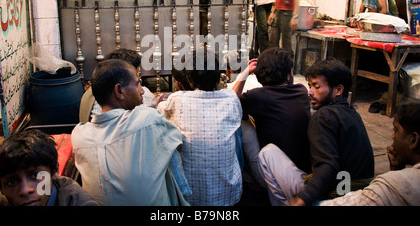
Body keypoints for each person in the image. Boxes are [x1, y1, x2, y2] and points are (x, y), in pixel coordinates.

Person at [71, 59, 190, 206]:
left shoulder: (79, 135)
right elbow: (178, 141)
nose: (141, 90)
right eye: (137, 83)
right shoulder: (147, 119)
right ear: (119, 91)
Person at [258, 58, 375, 206]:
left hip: (334, 198)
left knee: (268, 153)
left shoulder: (323, 116)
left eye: (317, 87)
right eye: (309, 86)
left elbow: (328, 166)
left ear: (338, 90)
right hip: (357, 196)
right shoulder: (352, 113)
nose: (310, 92)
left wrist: (302, 199)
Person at [158, 48, 243, 206]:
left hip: (191, 198)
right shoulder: (231, 98)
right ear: (219, 77)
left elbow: (161, 109)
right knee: (237, 132)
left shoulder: (177, 99)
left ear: (189, 81)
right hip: (230, 195)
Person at [232, 47, 312, 189]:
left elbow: (229, 102)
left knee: (243, 124)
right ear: (288, 76)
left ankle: (246, 176)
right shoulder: (301, 90)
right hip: (304, 173)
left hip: (274, 180)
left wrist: (245, 72)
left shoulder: (256, 96)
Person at [319, 102, 420, 206]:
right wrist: (396, 170)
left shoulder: (389, 187)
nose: (393, 136)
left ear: (413, 140)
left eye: (396, 130)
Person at [0, 129, 97, 206]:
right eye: (12, 182)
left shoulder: (79, 202)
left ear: (54, 171)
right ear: (1, 188)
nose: (25, 190)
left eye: (36, 176)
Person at [79, 48, 156, 123]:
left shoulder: (90, 93)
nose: (139, 76)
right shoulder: (142, 96)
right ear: (119, 90)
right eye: (138, 72)